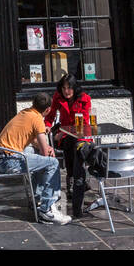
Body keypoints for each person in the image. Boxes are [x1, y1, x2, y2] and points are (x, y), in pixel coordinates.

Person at [0, 93, 70, 225]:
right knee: (52, 163)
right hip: (9, 161)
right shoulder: (38, 119)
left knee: (37, 156)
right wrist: (47, 148)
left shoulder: (25, 112)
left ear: (33, 104)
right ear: (48, 110)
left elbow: (34, 141)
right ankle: (47, 210)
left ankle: (38, 198)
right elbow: (45, 153)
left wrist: (44, 147)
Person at [45, 74, 93, 216]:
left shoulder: (84, 98)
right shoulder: (58, 97)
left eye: (69, 88)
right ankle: (78, 180)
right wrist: (48, 126)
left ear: (75, 87)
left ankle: (75, 180)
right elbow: (50, 115)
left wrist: (63, 132)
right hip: (66, 134)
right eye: (64, 88)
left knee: (77, 144)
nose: (66, 91)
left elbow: (83, 123)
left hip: (81, 134)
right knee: (72, 145)